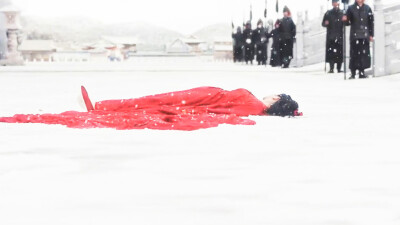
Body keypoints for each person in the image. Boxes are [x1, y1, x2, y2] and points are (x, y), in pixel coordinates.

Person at [0, 86, 302, 131]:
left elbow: (222, 109)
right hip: (203, 99)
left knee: (151, 102)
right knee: (152, 102)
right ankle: (103, 106)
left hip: (200, 98)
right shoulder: (253, 109)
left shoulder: (251, 102)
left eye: (274, 95)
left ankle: (102, 107)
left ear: (275, 102)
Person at [343, 0, 374, 79]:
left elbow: (371, 22)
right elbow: (347, 23)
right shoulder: (351, 8)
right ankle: (353, 73)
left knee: (363, 55)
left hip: (364, 35)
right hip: (355, 35)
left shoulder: (367, 8)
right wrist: (345, 19)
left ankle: (361, 72)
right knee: (354, 55)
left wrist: (371, 35)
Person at [322, 0, 344, 73]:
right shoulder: (328, 13)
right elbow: (323, 24)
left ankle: (339, 68)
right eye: (334, 3)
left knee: (339, 53)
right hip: (331, 36)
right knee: (331, 53)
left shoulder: (342, 13)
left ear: (338, 3)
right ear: (332, 4)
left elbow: (346, 23)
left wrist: (345, 21)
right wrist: (326, 23)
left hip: (339, 36)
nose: (335, 4)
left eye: (336, 2)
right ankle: (331, 68)